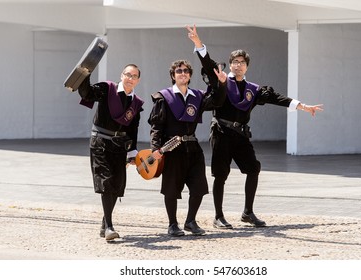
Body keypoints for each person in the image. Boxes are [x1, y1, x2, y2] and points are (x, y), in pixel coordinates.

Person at [187, 25, 323, 229]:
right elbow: (208, 64)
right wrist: (198, 43)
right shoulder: (221, 81)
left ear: (247, 66)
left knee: (253, 168)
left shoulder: (254, 90)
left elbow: (276, 98)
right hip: (222, 132)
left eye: (242, 62)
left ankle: (247, 212)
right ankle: (219, 216)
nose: (238, 65)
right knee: (221, 174)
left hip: (241, 134)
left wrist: (302, 106)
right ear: (230, 65)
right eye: (234, 62)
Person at [148, 55, 227, 237]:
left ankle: (190, 221)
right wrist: (155, 149)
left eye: (186, 71)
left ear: (190, 75)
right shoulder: (163, 98)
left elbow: (217, 101)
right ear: (173, 75)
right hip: (171, 149)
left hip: (193, 148)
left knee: (199, 187)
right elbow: (156, 126)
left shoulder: (197, 96)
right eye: (179, 71)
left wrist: (222, 84)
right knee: (171, 188)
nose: (182, 73)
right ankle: (172, 224)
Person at [77, 64, 144, 241]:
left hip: (120, 146)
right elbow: (87, 94)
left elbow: (133, 129)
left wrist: (132, 152)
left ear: (138, 80)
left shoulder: (136, 103)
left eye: (134, 76)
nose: (130, 78)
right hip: (100, 142)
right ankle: (109, 226)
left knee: (117, 184)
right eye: (127, 74)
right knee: (106, 182)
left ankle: (104, 224)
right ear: (122, 75)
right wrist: (85, 74)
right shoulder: (107, 89)